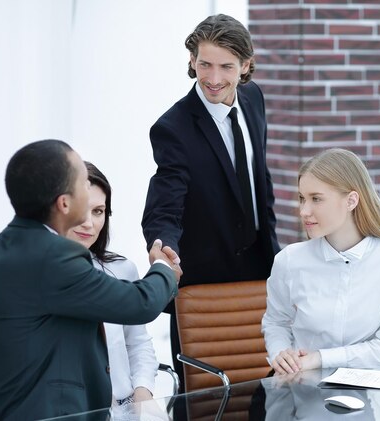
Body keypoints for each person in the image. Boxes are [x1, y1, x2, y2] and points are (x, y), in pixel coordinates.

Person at [0, 140, 180, 421]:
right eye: (83, 183)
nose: (88, 191)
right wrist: (163, 267)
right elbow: (141, 303)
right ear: (64, 203)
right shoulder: (52, 259)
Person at [142, 14, 280, 384]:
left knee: (264, 389)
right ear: (192, 61)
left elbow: (258, 178)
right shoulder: (173, 128)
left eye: (226, 67)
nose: (214, 78)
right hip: (203, 284)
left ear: (246, 66)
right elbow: (165, 203)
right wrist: (161, 248)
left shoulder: (254, 99)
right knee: (201, 395)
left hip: (260, 275)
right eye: (204, 64)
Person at [261, 148, 380, 374]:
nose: (304, 211)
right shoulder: (289, 260)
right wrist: (281, 353)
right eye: (302, 199)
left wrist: (320, 358)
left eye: (316, 199)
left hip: (372, 396)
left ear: (351, 200)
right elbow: (276, 322)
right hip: (302, 391)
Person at [65, 162, 159, 407]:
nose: (89, 223)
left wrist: (143, 391)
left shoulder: (121, 269)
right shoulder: (43, 279)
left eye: (98, 211)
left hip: (125, 407)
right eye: (81, 210)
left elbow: (137, 344)